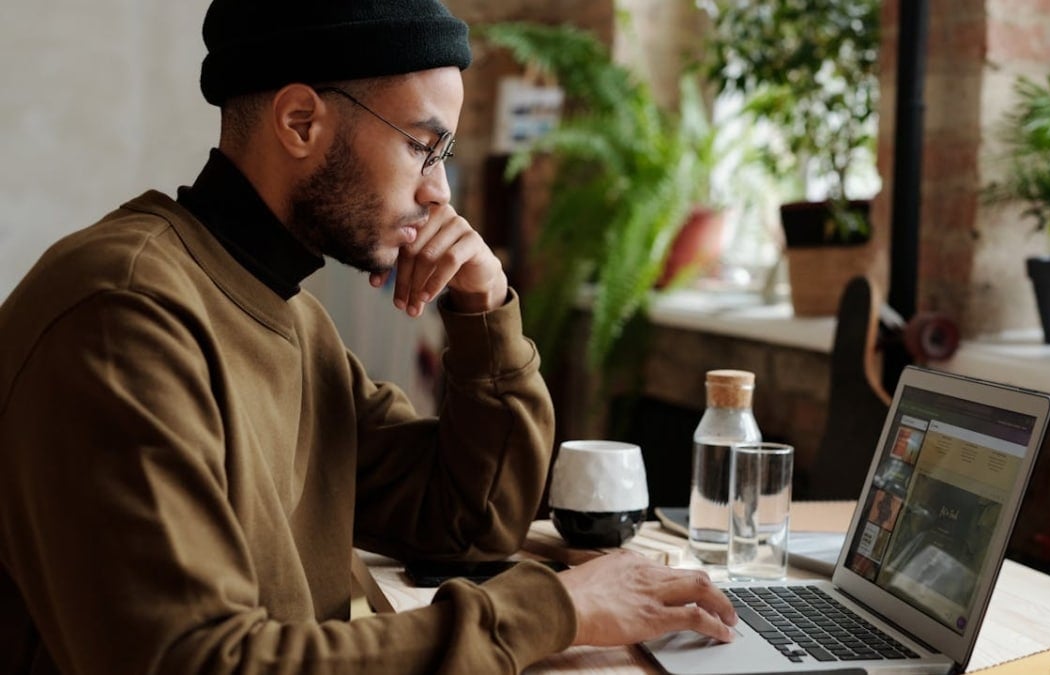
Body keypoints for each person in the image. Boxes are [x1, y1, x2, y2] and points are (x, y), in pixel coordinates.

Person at [0, 1, 736, 673]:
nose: (441, 191)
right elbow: (199, 661)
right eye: (423, 146)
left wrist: (484, 308)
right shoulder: (124, 317)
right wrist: (560, 608)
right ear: (299, 122)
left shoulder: (290, 316)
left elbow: (467, 521)